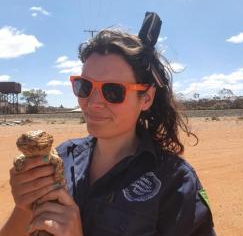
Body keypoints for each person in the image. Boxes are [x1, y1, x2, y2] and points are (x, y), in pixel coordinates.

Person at [0, 12, 216, 236]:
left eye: (113, 91)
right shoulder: (62, 158)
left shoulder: (175, 182)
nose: (93, 103)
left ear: (146, 98)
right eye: (84, 86)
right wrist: (24, 207)